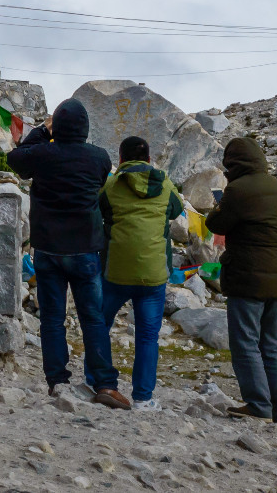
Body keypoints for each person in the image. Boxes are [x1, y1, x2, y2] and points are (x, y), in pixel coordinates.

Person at [5, 98, 126, 408]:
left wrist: (43, 133)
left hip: (48, 249)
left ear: (57, 126)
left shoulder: (44, 153)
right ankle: (105, 385)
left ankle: (57, 382)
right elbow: (99, 183)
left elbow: (15, 158)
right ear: (85, 128)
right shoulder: (99, 157)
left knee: (53, 320)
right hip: (86, 248)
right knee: (93, 319)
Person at [207, 135, 277, 421]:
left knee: (245, 342)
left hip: (247, 275)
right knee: (270, 346)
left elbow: (216, 223)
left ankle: (258, 404)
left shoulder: (239, 189)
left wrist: (217, 203)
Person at [97, 135, 186, 410]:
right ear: (149, 159)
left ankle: (99, 384)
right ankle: (143, 398)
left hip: (116, 272)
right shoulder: (165, 184)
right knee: (148, 336)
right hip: (154, 273)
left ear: (120, 159)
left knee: (100, 325)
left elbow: (101, 209)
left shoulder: (111, 186)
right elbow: (177, 210)